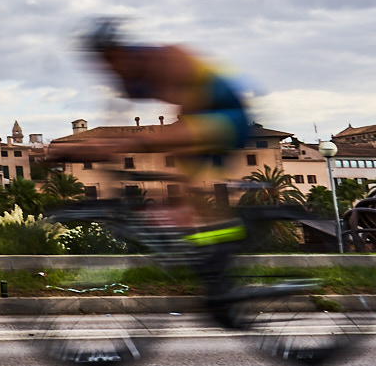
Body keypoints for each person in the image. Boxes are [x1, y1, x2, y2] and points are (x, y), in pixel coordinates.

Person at [69, 19, 253, 228]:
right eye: (101, 62)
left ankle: (228, 233)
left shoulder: (166, 57)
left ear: (117, 51)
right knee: (186, 200)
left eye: (108, 58)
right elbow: (115, 121)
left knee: (169, 160)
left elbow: (193, 106)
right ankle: (202, 244)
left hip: (228, 117)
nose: (106, 67)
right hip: (200, 120)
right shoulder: (128, 82)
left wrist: (138, 142)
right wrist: (95, 147)